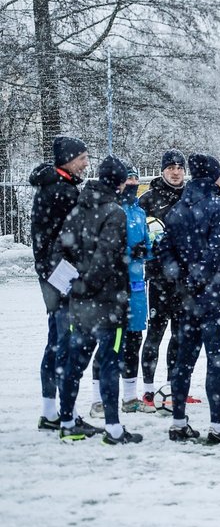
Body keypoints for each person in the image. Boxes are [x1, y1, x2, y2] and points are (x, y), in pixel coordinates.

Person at [53, 156, 142, 444]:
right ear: (118, 182)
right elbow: (107, 258)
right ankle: (113, 428)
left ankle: (67, 420)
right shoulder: (114, 212)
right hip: (107, 302)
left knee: (74, 363)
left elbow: (60, 248)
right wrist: (88, 285)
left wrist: (73, 284)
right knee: (108, 363)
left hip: (80, 302)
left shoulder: (79, 206)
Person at [159, 153, 220, 445]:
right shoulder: (219, 208)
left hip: (186, 297)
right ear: (214, 177)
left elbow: (165, 251)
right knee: (217, 359)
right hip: (215, 294)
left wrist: (181, 277)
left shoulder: (175, 210)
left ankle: (178, 421)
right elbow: (214, 248)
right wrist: (200, 277)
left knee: (184, 359)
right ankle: (218, 425)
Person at [29, 135, 98, 433]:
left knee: (55, 340)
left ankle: (50, 411)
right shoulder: (63, 192)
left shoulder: (52, 188)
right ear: (68, 160)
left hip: (49, 273)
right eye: (82, 158)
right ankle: (63, 414)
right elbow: (74, 239)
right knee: (65, 342)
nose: (86, 163)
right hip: (62, 274)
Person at [90, 168, 154, 416]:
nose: (133, 184)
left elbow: (147, 245)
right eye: (129, 180)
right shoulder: (107, 210)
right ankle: (98, 400)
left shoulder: (139, 211)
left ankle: (130, 398)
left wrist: (146, 250)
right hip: (113, 287)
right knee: (107, 343)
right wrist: (128, 253)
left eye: (136, 180)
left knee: (133, 343)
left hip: (137, 287)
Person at [138, 149, 188, 407]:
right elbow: (139, 233)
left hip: (185, 278)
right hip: (158, 277)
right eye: (171, 167)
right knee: (156, 332)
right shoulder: (147, 199)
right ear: (162, 170)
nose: (176, 171)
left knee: (180, 334)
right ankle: (148, 389)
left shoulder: (190, 196)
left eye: (179, 167)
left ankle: (173, 387)